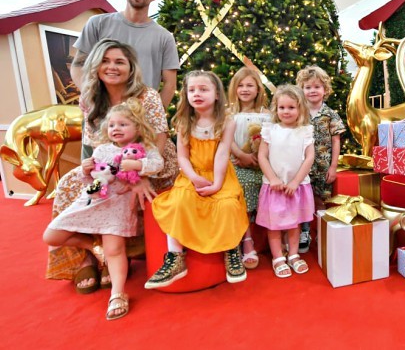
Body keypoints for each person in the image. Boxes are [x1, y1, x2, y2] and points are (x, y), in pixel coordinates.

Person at [46, 39, 178, 294]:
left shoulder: (146, 95)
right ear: (96, 66)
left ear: (131, 67)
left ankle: (116, 251)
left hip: (150, 158)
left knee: (141, 190)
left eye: (119, 61)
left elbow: (158, 137)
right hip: (108, 160)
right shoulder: (90, 98)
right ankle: (89, 254)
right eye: (105, 61)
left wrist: (139, 174)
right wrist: (90, 166)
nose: (112, 67)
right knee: (68, 184)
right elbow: (94, 140)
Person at [43, 99, 163, 320]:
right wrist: (85, 169)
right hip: (92, 201)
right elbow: (90, 178)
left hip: (117, 208)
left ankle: (118, 293)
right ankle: (94, 247)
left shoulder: (145, 149)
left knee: (115, 251)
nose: (115, 129)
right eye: (112, 125)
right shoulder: (102, 149)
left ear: (137, 128)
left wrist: (138, 166)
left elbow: (158, 164)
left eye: (123, 124)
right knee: (51, 235)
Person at [145, 70, 249, 289]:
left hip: (220, 174)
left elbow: (222, 154)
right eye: (192, 90)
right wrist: (193, 177)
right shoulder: (184, 122)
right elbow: (182, 156)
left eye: (203, 89)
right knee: (178, 202)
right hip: (191, 174)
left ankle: (231, 249)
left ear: (217, 94)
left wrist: (218, 184)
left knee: (228, 204)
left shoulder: (227, 122)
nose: (197, 94)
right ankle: (175, 258)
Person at [70, 0, 179, 116]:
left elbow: (170, 84)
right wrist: (91, 97)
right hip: (100, 116)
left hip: (141, 120)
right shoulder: (97, 24)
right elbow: (78, 65)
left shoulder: (165, 37)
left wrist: (154, 117)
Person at [256, 85, 315, 278]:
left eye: (291, 107)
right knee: (274, 224)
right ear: (276, 109)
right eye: (282, 108)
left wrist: (296, 181)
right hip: (275, 187)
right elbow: (262, 156)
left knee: (294, 223)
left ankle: (293, 253)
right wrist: (273, 178)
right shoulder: (270, 130)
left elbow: (309, 158)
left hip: (296, 187)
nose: (286, 111)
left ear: (300, 109)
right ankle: (277, 257)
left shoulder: (305, 131)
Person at [295, 66, 346, 253]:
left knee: (321, 200)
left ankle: (324, 233)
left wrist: (333, 166)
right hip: (302, 167)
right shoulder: (298, 114)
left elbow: (336, 141)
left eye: (317, 87)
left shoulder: (331, 114)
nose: (312, 91)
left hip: (324, 166)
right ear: (301, 90)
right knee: (304, 199)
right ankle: (305, 232)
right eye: (308, 87)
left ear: (325, 89)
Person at [228, 67, 271, 269]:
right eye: (241, 85)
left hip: (263, 161)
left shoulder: (267, 114)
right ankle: (246, 240)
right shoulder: (229, 113)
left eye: (249, 85)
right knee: (240, 186)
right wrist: (241, 155)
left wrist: (258, 156)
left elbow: (270, 139)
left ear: (258, 89)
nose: (245, 89)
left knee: (266, 184)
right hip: (237, 161)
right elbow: (226, 140)